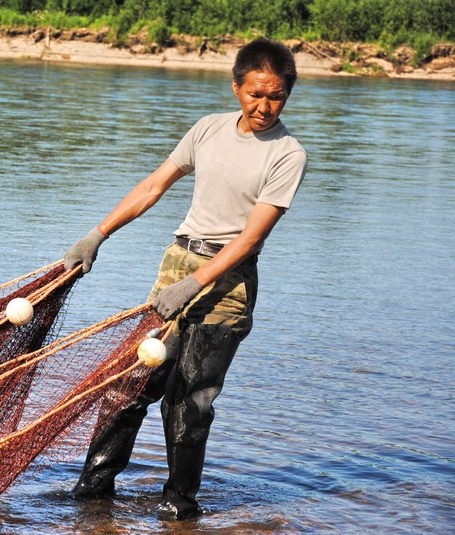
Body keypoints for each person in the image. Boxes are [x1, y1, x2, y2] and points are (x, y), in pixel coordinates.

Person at [63, 37, 307, 520]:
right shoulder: (208, 129)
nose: (264, 105)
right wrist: (97, 234)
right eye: (255, 93)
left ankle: (179, 510)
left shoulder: (287, 154)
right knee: (127, 388)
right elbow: (154, 186)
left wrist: (194, 286)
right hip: (177, 263)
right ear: (236, 86)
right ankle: (91, 501)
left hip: (227, 283)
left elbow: (248, 241)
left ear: (287, 95)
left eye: (275, 95)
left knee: (189, 404)